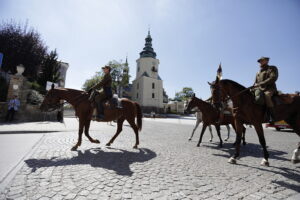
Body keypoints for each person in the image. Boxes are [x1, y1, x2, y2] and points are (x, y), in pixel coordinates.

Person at [253, 57, 278, 123]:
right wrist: (253, 86)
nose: (260, 62)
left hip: (270, 88)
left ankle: (272, 116)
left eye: (262, 61)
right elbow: (255, 82)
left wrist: (261, 83)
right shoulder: (258, 72)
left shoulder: (272, 68)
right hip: (259, 89)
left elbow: (273, 78)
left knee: (267, 96)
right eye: (259, 61)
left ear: (267, 61)